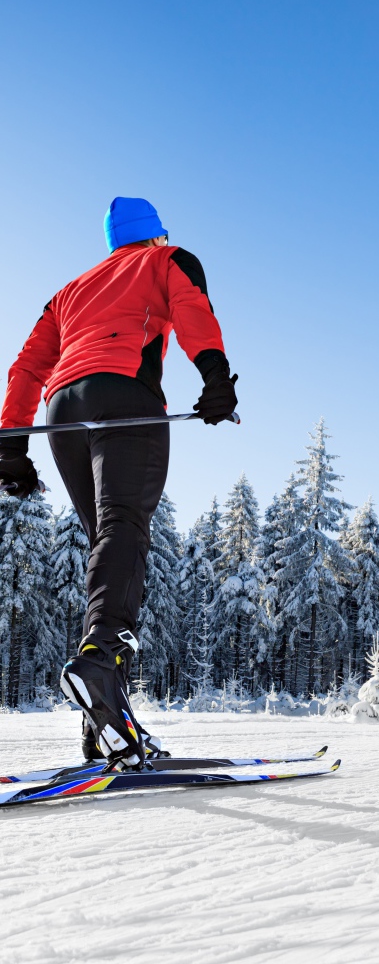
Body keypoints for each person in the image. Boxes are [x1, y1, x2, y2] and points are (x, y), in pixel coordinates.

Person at [0, 197, 238, 767]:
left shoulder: (69, 290)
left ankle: (107, 725)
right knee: (124, 531)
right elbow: (193, 311)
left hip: (62, 410)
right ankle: (101, 661)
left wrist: (11, 446)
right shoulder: (167, 260)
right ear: (155, 234)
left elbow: (27, 365)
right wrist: (215, 380)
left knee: (109, 548)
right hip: (125, 398)